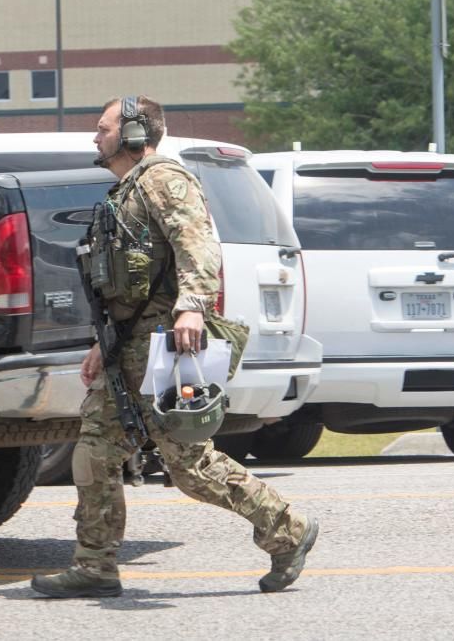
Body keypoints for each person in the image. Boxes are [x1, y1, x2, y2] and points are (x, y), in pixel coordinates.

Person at [31, 95, 318, 599]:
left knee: (189, 467)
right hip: (127, 348)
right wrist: (104, 346)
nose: (95, 137)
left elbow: (199, 244)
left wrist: (192, 306)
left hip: (167, 344)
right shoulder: (128, 190)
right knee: (95, 454)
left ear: (136, 132)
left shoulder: (165, 179)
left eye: (103, 128)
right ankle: (95, 566)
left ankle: (286, 528)